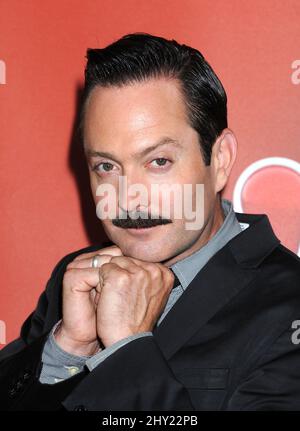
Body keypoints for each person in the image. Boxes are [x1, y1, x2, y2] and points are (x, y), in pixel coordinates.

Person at [0, 32, 299, 411]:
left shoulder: (290, 306)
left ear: (220, 159)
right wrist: (67, 351)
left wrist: (127, 351)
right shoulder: (73, 281)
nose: (129, 197)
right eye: (106, 167)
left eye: (158, 161)